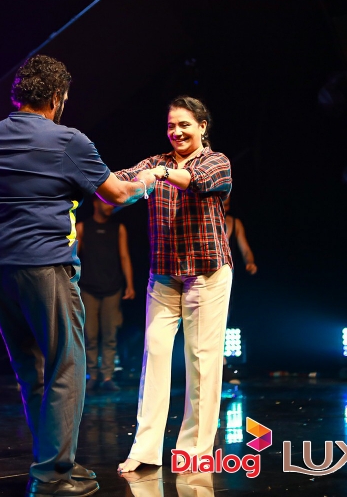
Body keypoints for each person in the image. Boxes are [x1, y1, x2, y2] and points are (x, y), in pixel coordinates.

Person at [0, 54, 156, 497]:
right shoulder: (67, 140)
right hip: (42, 264)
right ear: (56, 98)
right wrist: (149, 180)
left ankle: (53, 464)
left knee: (31, 368)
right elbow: (117, 195)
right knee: (67, 364)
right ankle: (53, 476)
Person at [115, 96, 233, 474]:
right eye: (171, 126)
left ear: (202, 126)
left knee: (201, 361)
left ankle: (194, 450)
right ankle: (145, 449)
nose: (177, 132)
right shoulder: (155, 162)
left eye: (184, 124)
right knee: (154, 356)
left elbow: (196, 182)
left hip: (207, 272)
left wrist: (161, 175)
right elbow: (121, 181)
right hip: (164, 274)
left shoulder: (216, 161)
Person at [76, 196, 134, 392]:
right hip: (88, 288)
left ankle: (107, 375)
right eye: (106, 202)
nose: (110, 206)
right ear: (96, 203)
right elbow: (74, 258)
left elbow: (124, 257)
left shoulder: (118, 228)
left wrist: (130, 285)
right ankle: (93, 375)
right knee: (90, 335)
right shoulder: (82, 227)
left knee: (110, 334)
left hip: (112, 288)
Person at [225, 195, 257, 276]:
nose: (225, 209)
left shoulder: (236, 223)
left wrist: (250, 262)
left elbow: (245, 251)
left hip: (229, 277)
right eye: (222, 205)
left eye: (226, 205)